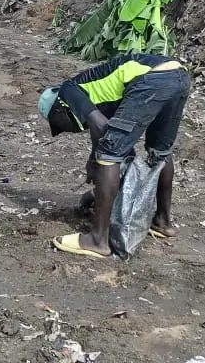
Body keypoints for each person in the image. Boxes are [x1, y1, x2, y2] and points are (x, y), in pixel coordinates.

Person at [38, 53, 189, 259]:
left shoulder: (67, 91)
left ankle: (98, 239)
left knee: (109, 154)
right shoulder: (96, 93)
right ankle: (162, 222)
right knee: (159, 150)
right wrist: (95, 176)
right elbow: (101, 130)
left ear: (60, 110)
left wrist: (98, 167)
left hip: (151, 80)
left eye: (59, 125)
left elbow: (103, 131)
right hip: (177, 75)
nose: (68, 130)